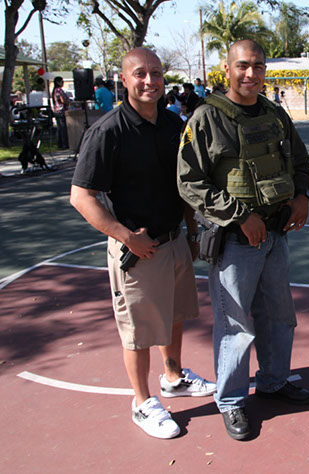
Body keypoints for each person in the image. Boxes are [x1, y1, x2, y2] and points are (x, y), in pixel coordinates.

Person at [70, 47, 216, 440]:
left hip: (173, 242)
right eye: (140, 74)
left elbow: (184, 187)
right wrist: (126, 238)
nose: (149, 80)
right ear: (124, 79)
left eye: (155, 73)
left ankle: (174, 377)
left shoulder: (172, 125)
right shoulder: (107, 132)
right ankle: (142, 402)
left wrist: (189, 233)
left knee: (174, 316)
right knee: (137, 331)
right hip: (138, 249)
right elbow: (81, 197)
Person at [177, 39, 309, 442]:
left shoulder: (275, 115)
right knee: (236, 325)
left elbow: (302, 163)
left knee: (279, 315)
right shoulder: (206, 119)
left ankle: (273, 381)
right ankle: (232, 400)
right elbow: (189, 183)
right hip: (236, 240)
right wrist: (240, 217)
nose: (250, 74)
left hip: (276, 234)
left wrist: (303, 196)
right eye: (242, 66)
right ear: (227, 69)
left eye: (257, 66)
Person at [51, 76, 70, 149]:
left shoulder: (54, 91)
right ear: (57, 82)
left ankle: (60, 143)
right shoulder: (59, 90)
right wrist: (67, 101)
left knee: (59, 128)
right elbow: (63, 100)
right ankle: (64, 144)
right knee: (63, 128)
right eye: (61, 81)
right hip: (61, 110)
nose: (63, 83)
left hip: (56, 111)